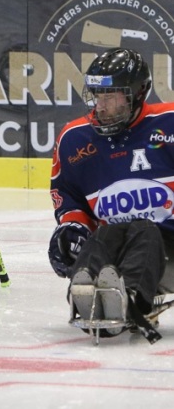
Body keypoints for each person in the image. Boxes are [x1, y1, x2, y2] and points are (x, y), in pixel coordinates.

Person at [48, 47, 171, 343]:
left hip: (169, 251)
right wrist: (71, 229)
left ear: (137, 93)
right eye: (97, 96)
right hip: (116, 250)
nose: (100, 106)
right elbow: (67, 195)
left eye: (111, 97)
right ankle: (86, 291)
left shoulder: (169, 124)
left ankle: (129, 298)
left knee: (144, 229)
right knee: (104, 235)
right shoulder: (74, 140)